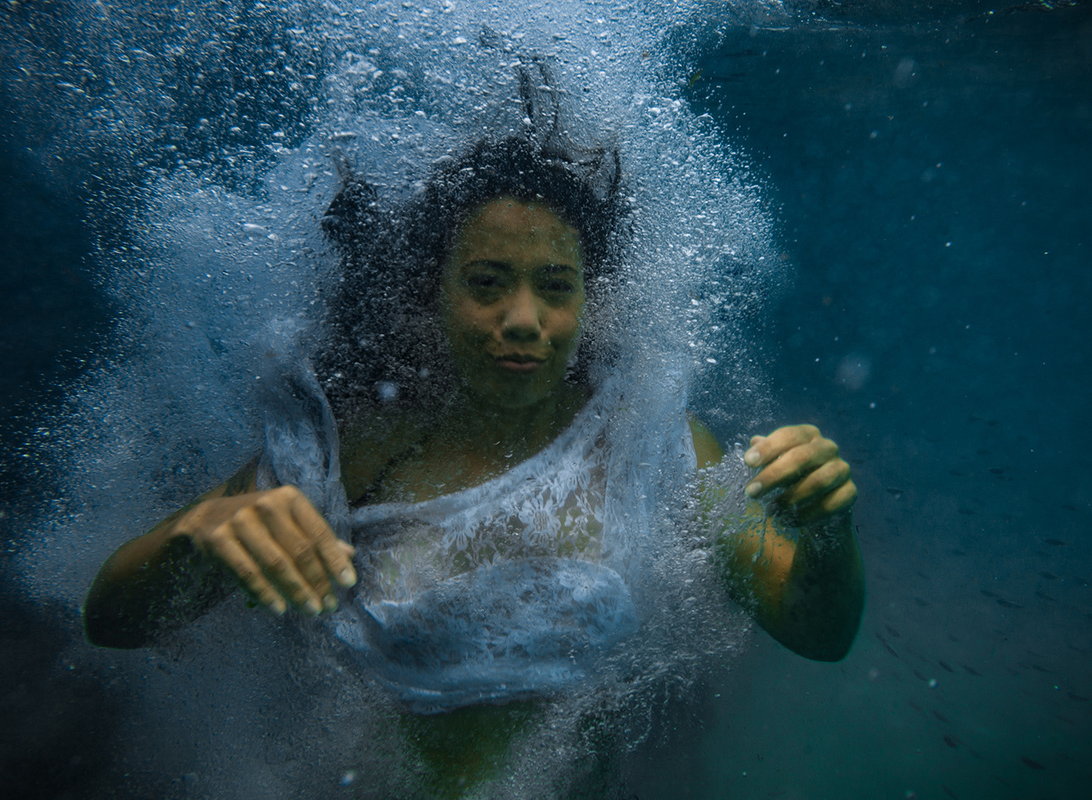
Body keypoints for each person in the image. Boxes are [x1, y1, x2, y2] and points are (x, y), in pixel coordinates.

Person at [84, 70, 863, 795]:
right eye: (487, 284)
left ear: (592, 301)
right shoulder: (353, 450)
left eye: (555, 288)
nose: (523, 321)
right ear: (437, 291)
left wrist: (827, 534)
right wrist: (203, 529)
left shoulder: (648, 439)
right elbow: (113, 623)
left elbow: (817, 633)